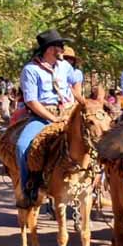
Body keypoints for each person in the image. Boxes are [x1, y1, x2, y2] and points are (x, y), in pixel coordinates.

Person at [15, 29, 76, 208]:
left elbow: (76, 81)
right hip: (42, 114)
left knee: (94, 136)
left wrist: (79, 102)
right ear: (49, 49)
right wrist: (53, 119)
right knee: (22, 146)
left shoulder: (65, 67)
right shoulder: (31, 70)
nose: (63, 49)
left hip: (68, 112)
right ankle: (29, 187)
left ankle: (94, 184)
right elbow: (32, 101)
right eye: (60, 46)